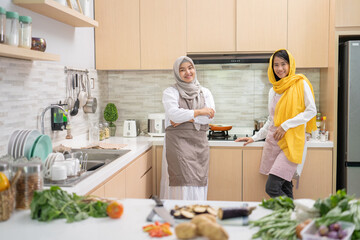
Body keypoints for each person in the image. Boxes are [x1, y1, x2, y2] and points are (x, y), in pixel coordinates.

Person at [235, 49, 317, 198]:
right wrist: (254, 137)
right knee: (285, 186)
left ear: (290, 64)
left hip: (292, 143)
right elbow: (271, 120)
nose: (280, 69)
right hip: (275, 141)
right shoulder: (273, 90)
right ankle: (290, 219)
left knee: (272, 187)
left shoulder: (301, 83)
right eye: (276, 65)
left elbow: (311, 110)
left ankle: (294, 213)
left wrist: (286, 125)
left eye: (283, 64)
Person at [160, 56, 215, 200]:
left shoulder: (205, 92)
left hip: (199, 144)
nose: (187, 72)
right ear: (177, 73)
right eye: (182, 70)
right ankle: (178, 214)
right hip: (178, 144)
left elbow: (210, 117)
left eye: (190, 68)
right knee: (181, 182)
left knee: (198, 181)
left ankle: (196, 215)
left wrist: (186, 117)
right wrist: (199, 112)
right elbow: (173, 114)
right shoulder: (170, 92)